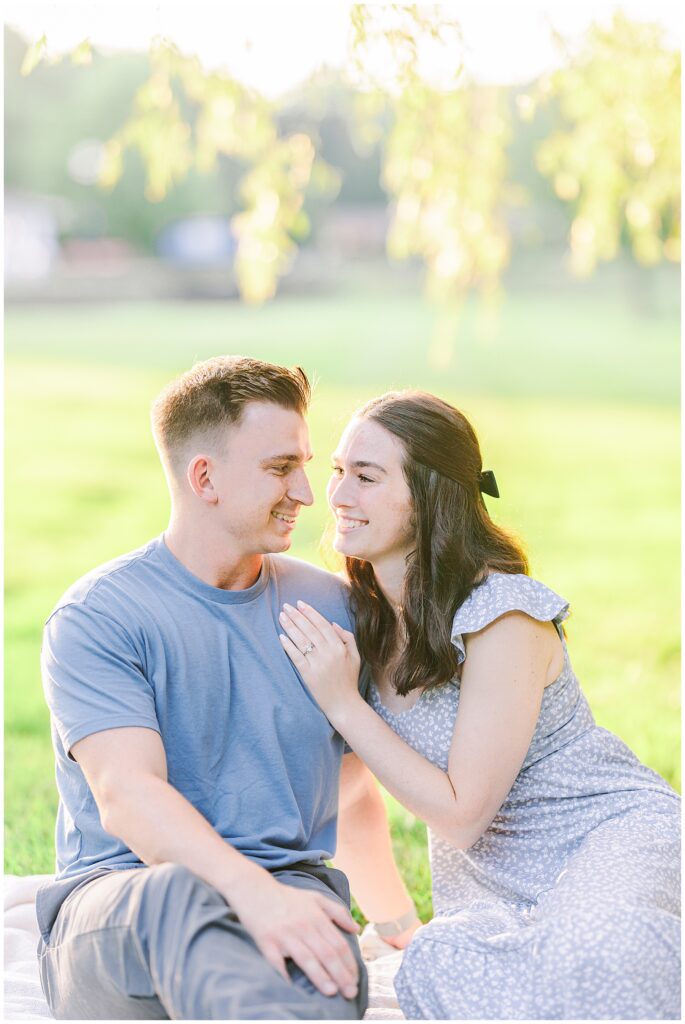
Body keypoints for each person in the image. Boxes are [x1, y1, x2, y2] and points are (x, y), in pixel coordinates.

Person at [279, 388, 682, 1020]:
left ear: (430, 495)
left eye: (366, 476)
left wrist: (344, 706)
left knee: (600, 952)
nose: (336, 495)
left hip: (600, 838)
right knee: (439, 959)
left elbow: (463, 815)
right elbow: (351, 792)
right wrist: (395, 922)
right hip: (490, 885)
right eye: (337, 470)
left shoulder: (502, 615)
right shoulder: (363, 624)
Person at [37, 356, 416, 1021]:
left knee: (320, 940)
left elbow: (351, 783)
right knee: (179, 894)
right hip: (128, 909)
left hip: (290, 899)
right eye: (279, 468)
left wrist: (394, 922)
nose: (306, 492)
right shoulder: (100, 617)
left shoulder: (333, 611)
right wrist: (257, 898)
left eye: (305, 465)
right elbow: (128, 796)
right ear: (204, 477)